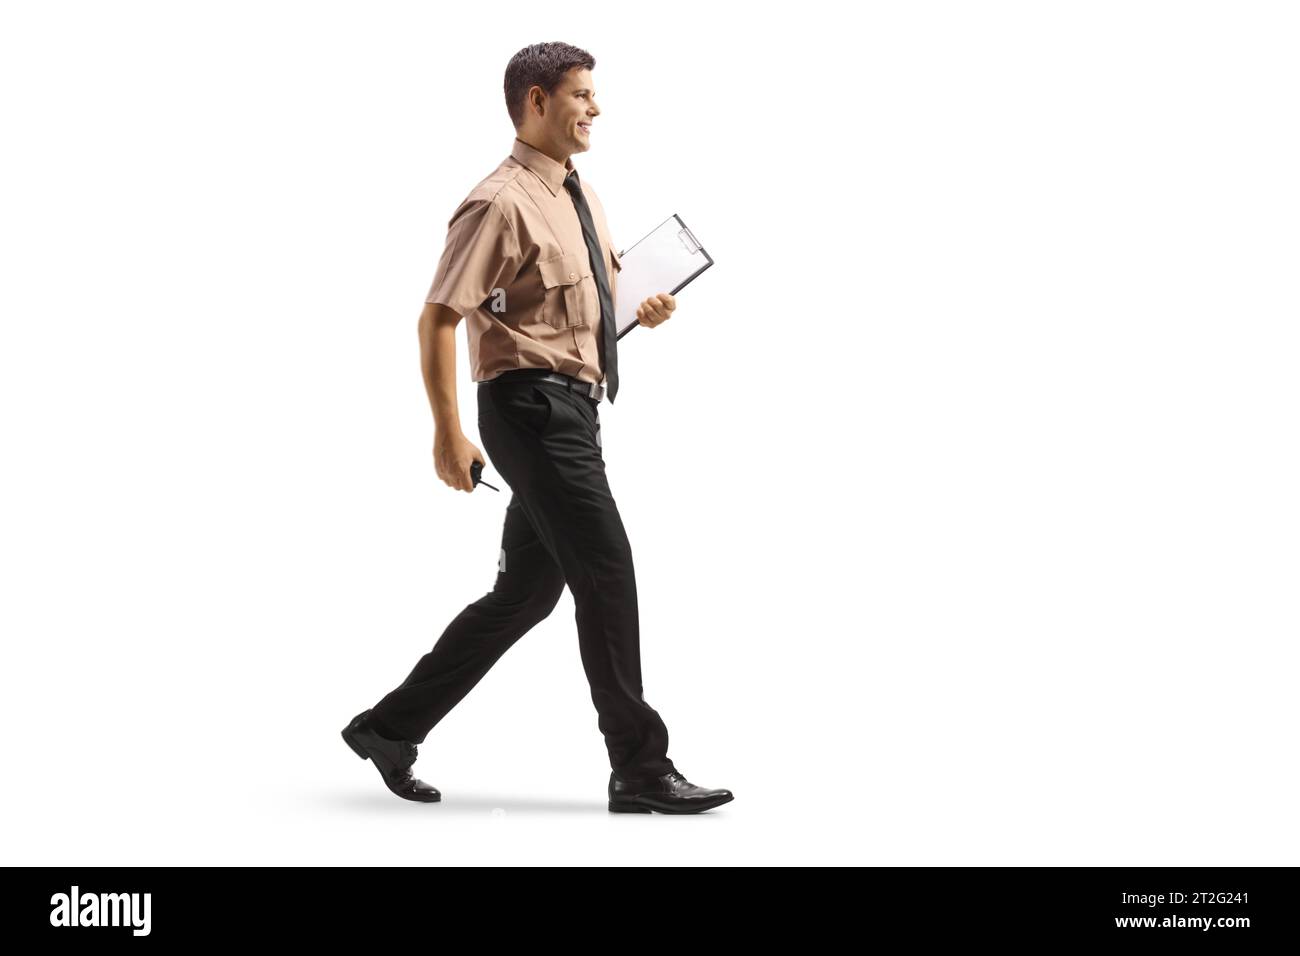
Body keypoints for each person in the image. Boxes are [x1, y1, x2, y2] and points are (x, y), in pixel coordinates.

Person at [341, 41, 733, 814]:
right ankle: (640, 768)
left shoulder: (579, 194)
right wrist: (446, 434)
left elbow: (578, 318)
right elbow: (437, 317)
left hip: (572, 411)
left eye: (594, 94)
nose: (596, 108)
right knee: (607, 569)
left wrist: (638, 314)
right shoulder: (499, 201)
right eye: (582, 95)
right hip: (528, 411)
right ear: (537, 103)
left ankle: (389, 727)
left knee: (526, 592)